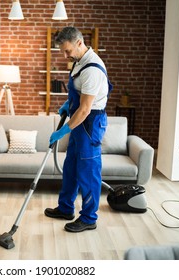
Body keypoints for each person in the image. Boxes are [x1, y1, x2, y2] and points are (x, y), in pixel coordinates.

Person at [45, 26, 112, 232]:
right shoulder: (79, 62)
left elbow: (84, 110)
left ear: (79, 43)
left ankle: (89, 218)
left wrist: (62, 131)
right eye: (63, 51)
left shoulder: (92, 69)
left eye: (67, 51)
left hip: (90, 123)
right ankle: (66, 208)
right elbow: (78, 94)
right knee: (71, 167)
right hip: (79, 119)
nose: (65, 55)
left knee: (88, 172)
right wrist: (68, 104)